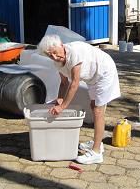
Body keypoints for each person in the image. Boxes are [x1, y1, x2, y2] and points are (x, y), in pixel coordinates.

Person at [37, 35, 121, 165]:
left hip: (105, 71)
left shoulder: (74, 53)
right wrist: (59, 99)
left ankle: (96, 153)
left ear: (61, 45)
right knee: (94, 107)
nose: (53, 57)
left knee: (98, 110)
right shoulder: (57, 62)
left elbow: (74, 83)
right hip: (93, 77)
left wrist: (62, 107)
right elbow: (64, 82)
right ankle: (98, 143)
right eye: (49, 55)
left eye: (54, 52)